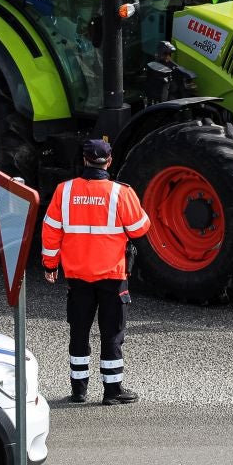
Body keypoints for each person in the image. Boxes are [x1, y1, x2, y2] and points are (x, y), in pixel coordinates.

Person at [41, 139, 150, 406]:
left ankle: (79, 391)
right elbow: (140, 229)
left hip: (77, 277)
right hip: (112, 277)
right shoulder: (121, 193)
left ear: (84, 160)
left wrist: (50, 265)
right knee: (111, 334)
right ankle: (112, 392)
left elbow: (51, 231)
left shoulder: (63, 191)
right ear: (109, 161)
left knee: (78, 333)